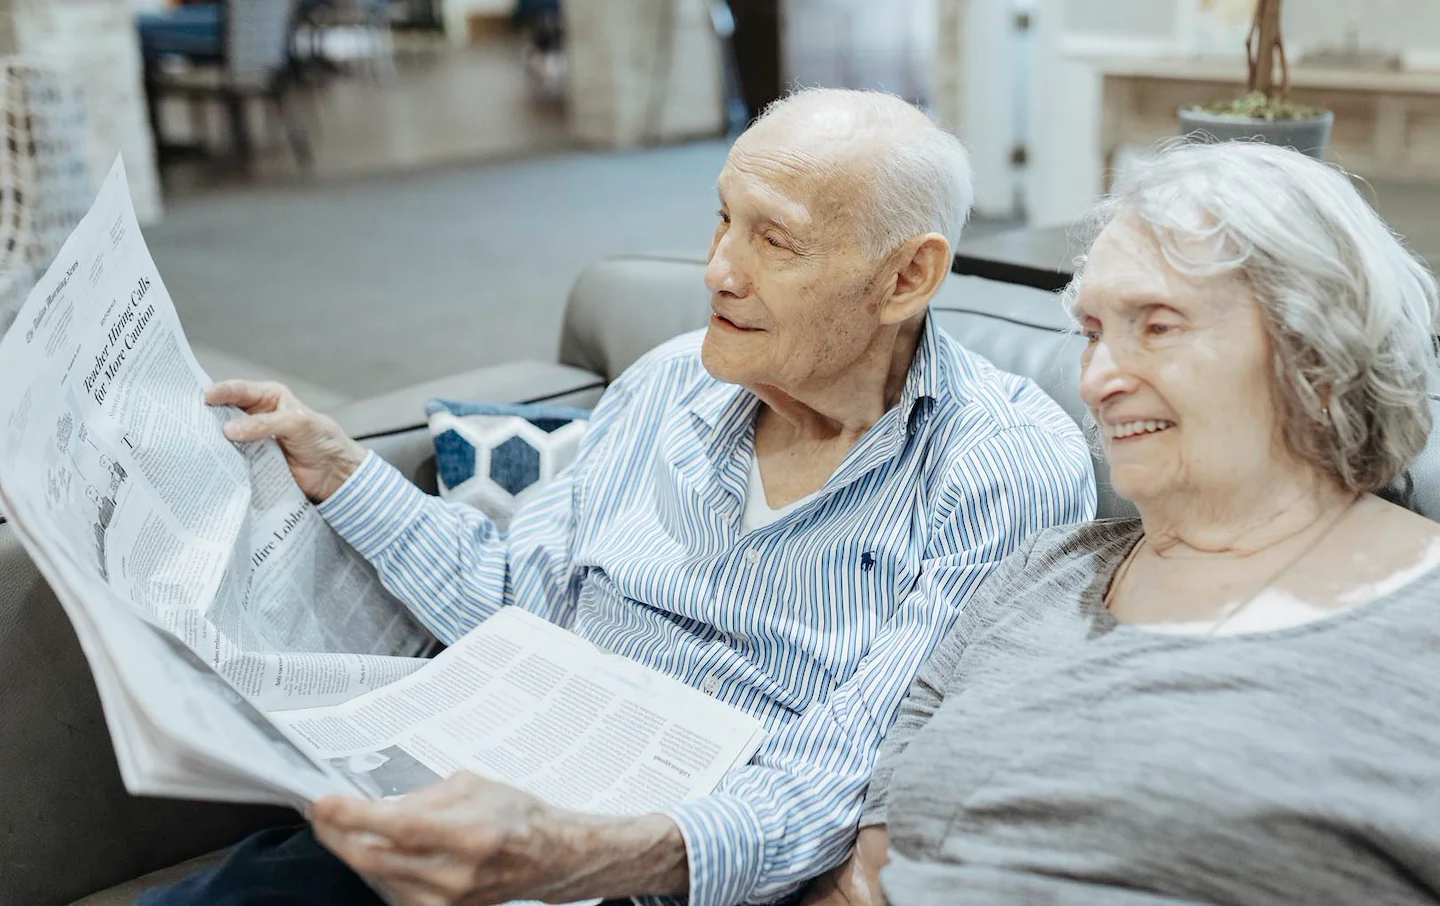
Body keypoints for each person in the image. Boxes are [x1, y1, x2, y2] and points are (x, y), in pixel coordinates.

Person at [142, 89, 1096, 906]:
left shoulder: (999, 468)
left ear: (906, 277)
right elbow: (523, 596)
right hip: (509, 797)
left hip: (660, 869)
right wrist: (344, 470)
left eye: (776, 240)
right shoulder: (667, 381)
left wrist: (570, 853)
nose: (719, 268)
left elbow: (843, 776)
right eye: (724, 218)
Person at [807, 139, 1440, 905]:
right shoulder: (1041, 573)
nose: (1100, 379)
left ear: (1316, 355)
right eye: (1092, 332)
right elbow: (873, 871)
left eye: (1156, 324)